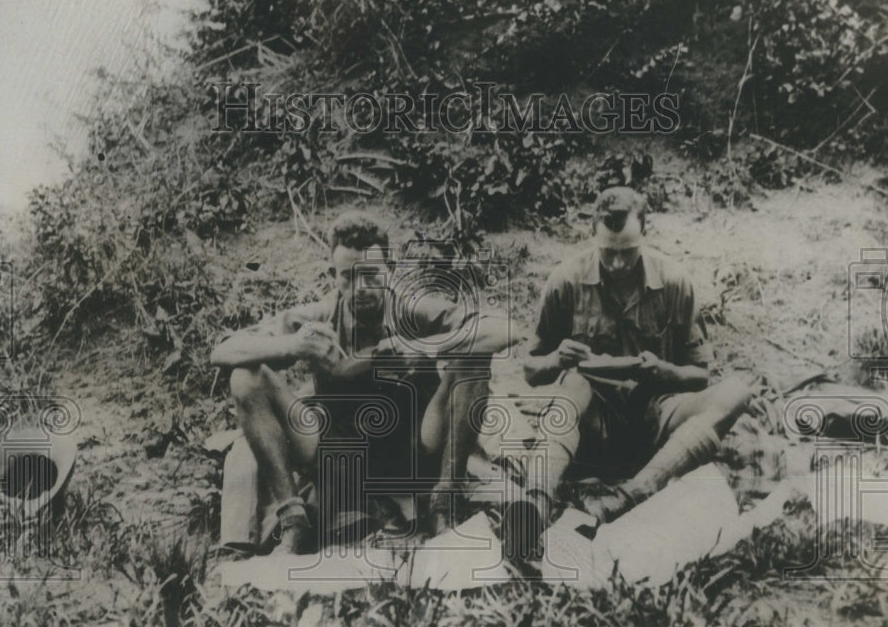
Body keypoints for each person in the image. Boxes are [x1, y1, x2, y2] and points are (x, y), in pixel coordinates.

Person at [211, 211, 512, 555]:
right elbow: (223, 350)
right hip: (339, 457)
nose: (361, 289)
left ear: (391, 270)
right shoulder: (319, 318)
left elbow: (505, 330)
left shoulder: (413, 310)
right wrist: (292, 345)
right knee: (245, 377)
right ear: (332, 276)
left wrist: (422, 347)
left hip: (414, 451)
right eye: (348, 278)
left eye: (371, 275)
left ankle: (444, 504)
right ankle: (294, 521)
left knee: (473, 360)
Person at [519, 186, 753, 555]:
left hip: (657, 416)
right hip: (592, 425)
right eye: (607, 252)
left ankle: (631, 496)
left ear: (645, 233)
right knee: (575, 385)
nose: (615, 264)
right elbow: (530, 370)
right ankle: (534, 505)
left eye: (626, 253)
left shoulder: (675, 282)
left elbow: (700, 376)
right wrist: (556, 360)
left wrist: (663, 371)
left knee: (736, 391)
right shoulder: (566, 280)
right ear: (593, 234)